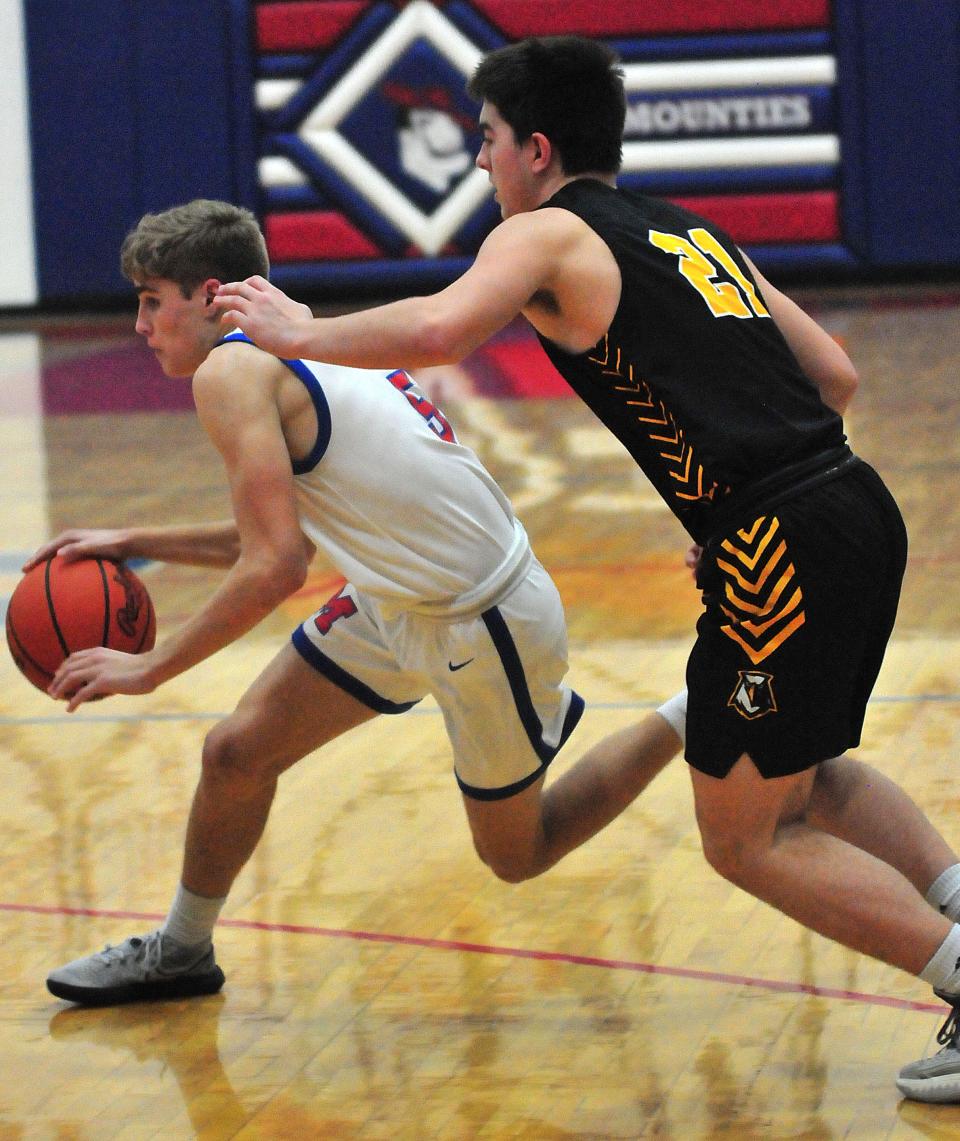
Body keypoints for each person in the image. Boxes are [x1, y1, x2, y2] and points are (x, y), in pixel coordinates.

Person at [212, 36, 960, 1101]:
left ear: (537, 149)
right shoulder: (688, 229)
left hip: (780, 548)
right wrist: (736, 499)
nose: (479, 163)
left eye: (486, 140)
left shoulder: (549, 231)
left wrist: (299, 328)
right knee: (798, 774)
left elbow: (436, 327)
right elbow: (833, 376)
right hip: (849, 507)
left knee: (745, 838)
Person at [40, 198, 693, 1007]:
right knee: (236, 752)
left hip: (482, 618)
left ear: (210, 296)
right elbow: (295, 534)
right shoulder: (302, 335)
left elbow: (275, 566)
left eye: (151, 300)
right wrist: (139, 540)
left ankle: (697, 708)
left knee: (519, 853)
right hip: (394, 594)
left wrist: (151, 666)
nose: (140, 324)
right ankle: (180, 951)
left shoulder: (231, 370)